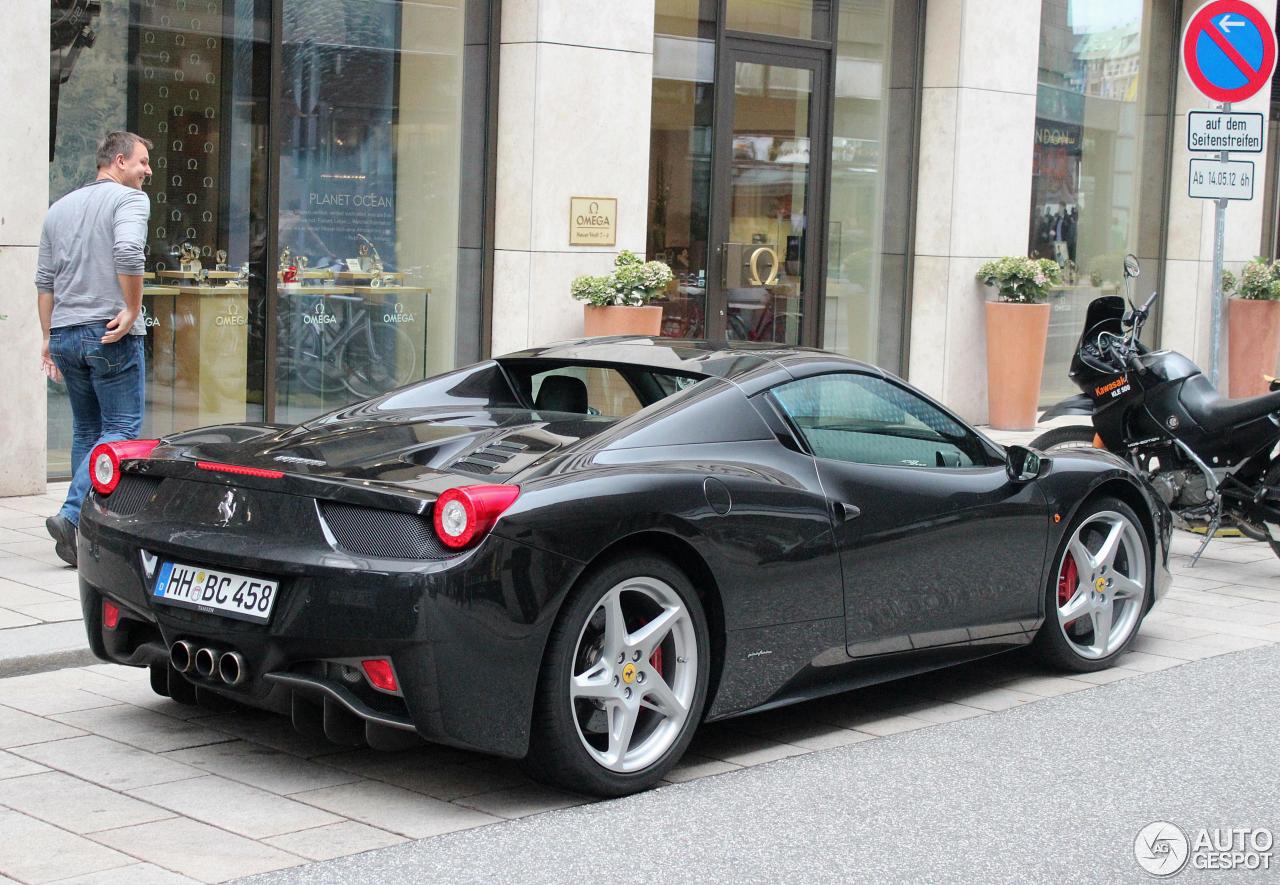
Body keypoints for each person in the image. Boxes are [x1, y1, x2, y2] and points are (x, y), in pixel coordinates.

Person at [36, 131, 152, 567]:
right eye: (142, 162)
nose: (148, 171)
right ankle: (71, 516)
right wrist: (133, 307)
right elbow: (127, 250)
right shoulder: (129, 201)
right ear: (118, 161)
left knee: (89, 430)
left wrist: (48, 339)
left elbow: (45, 282)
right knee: (121, 427)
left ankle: (82, 525)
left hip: (65, 333)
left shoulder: (58, 209)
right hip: (108, 332)